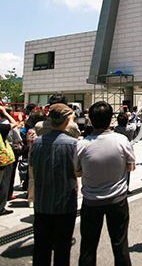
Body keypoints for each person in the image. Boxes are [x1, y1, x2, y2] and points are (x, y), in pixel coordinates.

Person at [74, 101, 135, 266]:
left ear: (91, 121)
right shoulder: (121, 141)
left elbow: (77, 172)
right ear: (110, 120)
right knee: (120, 245)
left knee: (88, 246)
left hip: (91, 201)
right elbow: (131, 166)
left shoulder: (82, 144)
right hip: (117, 200)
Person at [30, 104, 78, 266]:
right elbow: (78, 171)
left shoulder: (36, 142)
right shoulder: (73, 144)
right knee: (62, 249)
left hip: (42, 201)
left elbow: (32, 165)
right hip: (65, 203)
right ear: (67, 120)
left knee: (41, 248)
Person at [0, 105, 17, 216]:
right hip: (3, 159)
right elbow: (14, 124)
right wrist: (5, 113)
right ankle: (1, 208)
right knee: (3, 184)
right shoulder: (2, 126)